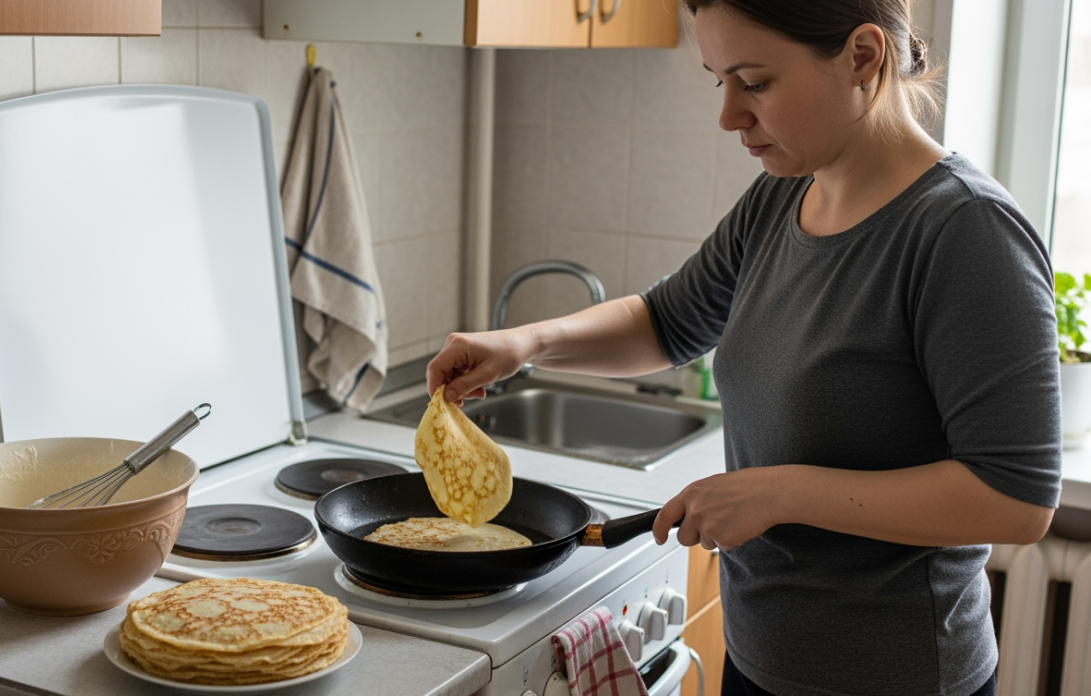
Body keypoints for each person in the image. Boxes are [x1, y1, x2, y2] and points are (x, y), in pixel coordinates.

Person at [425, 1, 1063, 695]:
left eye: (754, 82)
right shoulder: (780, 200)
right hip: (761, 661)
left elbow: (1015, 498)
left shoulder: (966, 233)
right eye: (718, 80)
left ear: (863, 57)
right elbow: (667, 322)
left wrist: (778, 492)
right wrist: (523, 343)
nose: (729, 114)